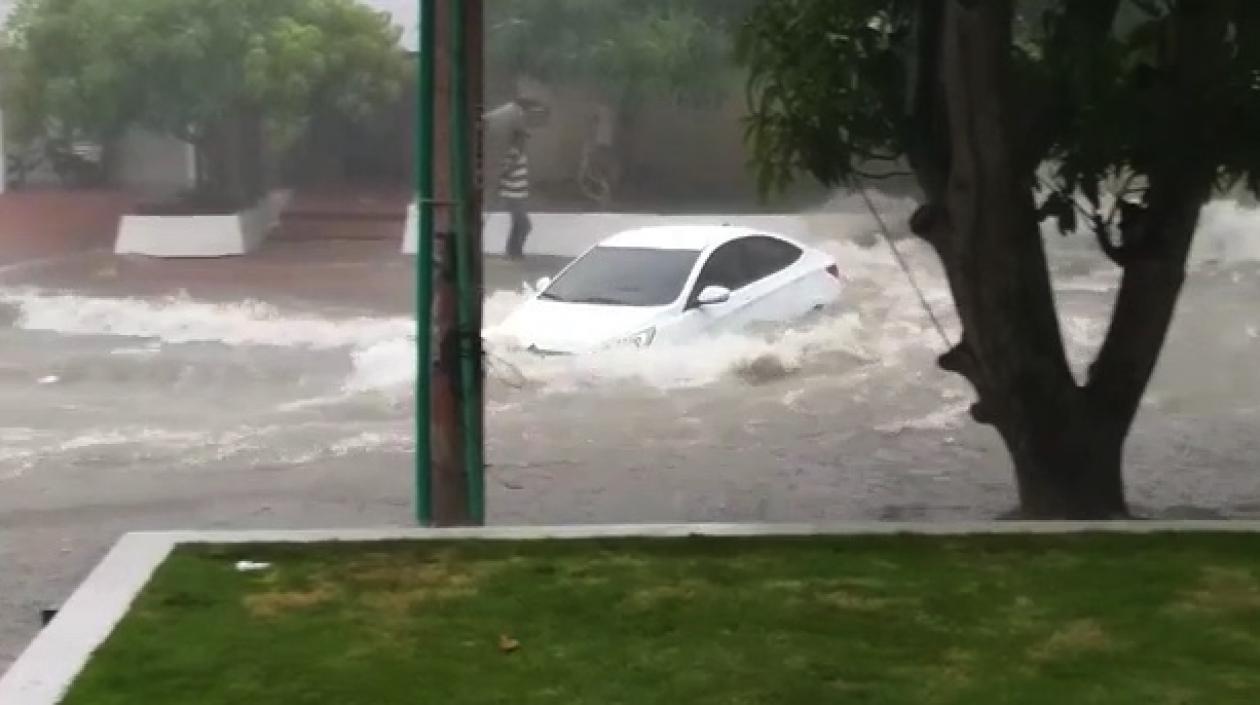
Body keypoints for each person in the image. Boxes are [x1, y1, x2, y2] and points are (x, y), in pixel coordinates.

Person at [500, 128, 532, 259]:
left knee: (518, 225)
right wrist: (513, 162)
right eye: (523, 138)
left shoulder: (518, 152)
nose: (525, 141)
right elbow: (505, 171)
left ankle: (512, 252)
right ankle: (514, 251)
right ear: (517, 140)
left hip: (518, 195)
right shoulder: (514, 152)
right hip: (513, 196)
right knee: (525, 225)